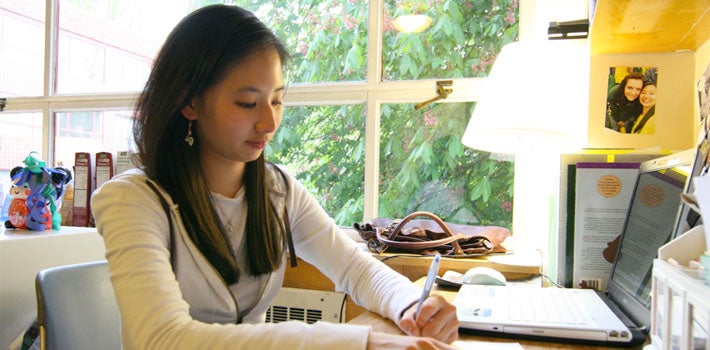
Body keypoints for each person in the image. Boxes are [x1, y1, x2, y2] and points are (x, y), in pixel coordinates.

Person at [90, 5, 459, 349]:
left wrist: (412, 305)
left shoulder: (276, 190)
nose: (268, 123)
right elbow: (162, 337)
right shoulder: (132, 200)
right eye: (248, 103)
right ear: (190, 102)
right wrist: (356, 342)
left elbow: (355, 268)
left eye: (277, 100)